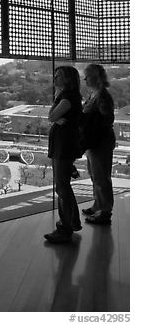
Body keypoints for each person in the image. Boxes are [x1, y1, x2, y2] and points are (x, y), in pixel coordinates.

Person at [44, 66, 84, 243]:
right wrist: (56, 116)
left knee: (62, 187)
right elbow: (53, 117)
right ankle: (70, 222)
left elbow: (51, 117)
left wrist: (55, 117)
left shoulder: (67, 98)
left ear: (67, 80)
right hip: (63, 146)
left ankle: (66, 226)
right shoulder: (67, 97)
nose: (54, 78)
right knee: (63, 186)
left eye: (58, 76)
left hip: (64, 147)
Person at [81, 64, 116, 225]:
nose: (85, 79)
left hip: (100, 141)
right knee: (95, 175)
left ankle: (105, 211)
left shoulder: (102, 96)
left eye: (87, 76)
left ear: (95, 77)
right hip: (94, 142)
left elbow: (107, 119)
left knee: (101, 177)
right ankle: (98, 205)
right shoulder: (94, 94)